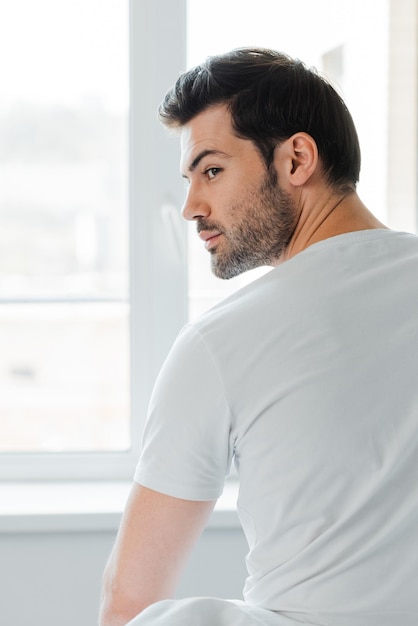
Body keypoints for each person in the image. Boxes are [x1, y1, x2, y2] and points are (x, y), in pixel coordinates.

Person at [99, 48, 418, 626]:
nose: (192, 206)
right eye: (189, 179)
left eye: (212, 170)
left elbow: (128, 598)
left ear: (296, 158)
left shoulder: (222, 343)